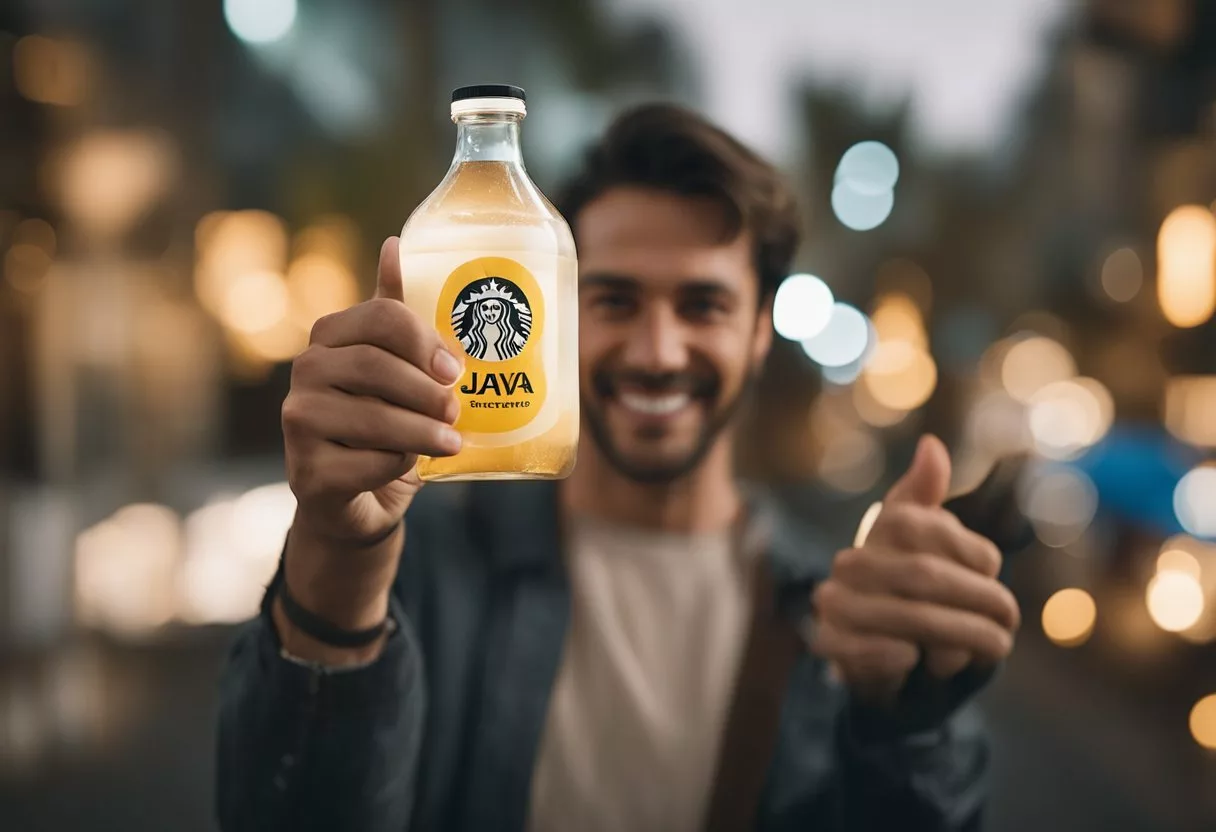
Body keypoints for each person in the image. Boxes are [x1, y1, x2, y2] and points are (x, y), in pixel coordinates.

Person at [216, 104, 1020, 832]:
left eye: (702, 305)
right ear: (558, 312)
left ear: (759, 333)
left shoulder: (836, 615)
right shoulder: (423, 568)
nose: (656, 353)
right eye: (615, 301)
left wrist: (909, 721)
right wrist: (338, 557)